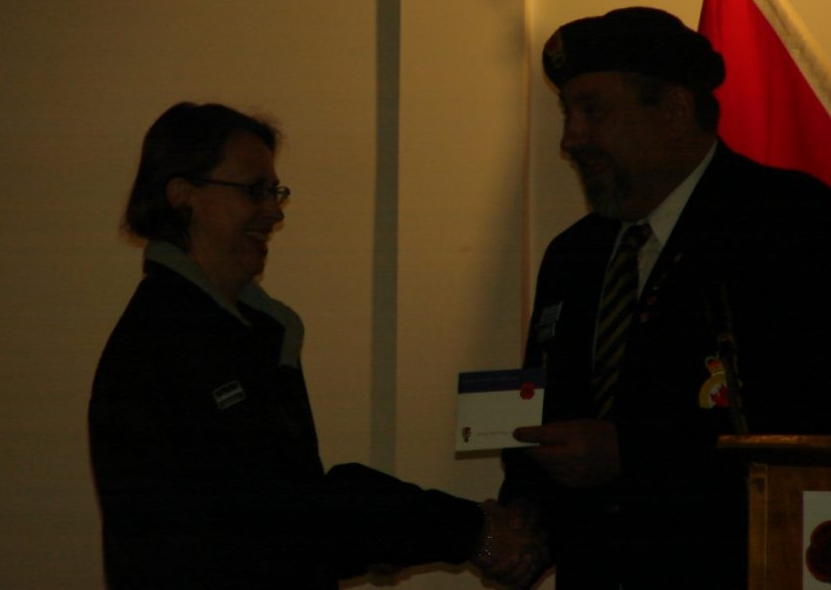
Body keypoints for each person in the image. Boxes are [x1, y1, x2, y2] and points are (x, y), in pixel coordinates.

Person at [499, 7, 831, 588]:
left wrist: (631, 454)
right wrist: (524, 519)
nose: (571, 138)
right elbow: (544, 411)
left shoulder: (790, 223)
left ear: (676, 111)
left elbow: (826, 421)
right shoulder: (573, 255)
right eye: (567, 114)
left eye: (592, 111)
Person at [89, 102, 545, 589]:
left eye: (275, 191)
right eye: (254, 190)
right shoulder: (168, 343)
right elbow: (281, 517)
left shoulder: (244, 333)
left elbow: (294, 509)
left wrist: (396, 535)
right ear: (183, 197)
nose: (273, 211)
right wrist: (469, 531)